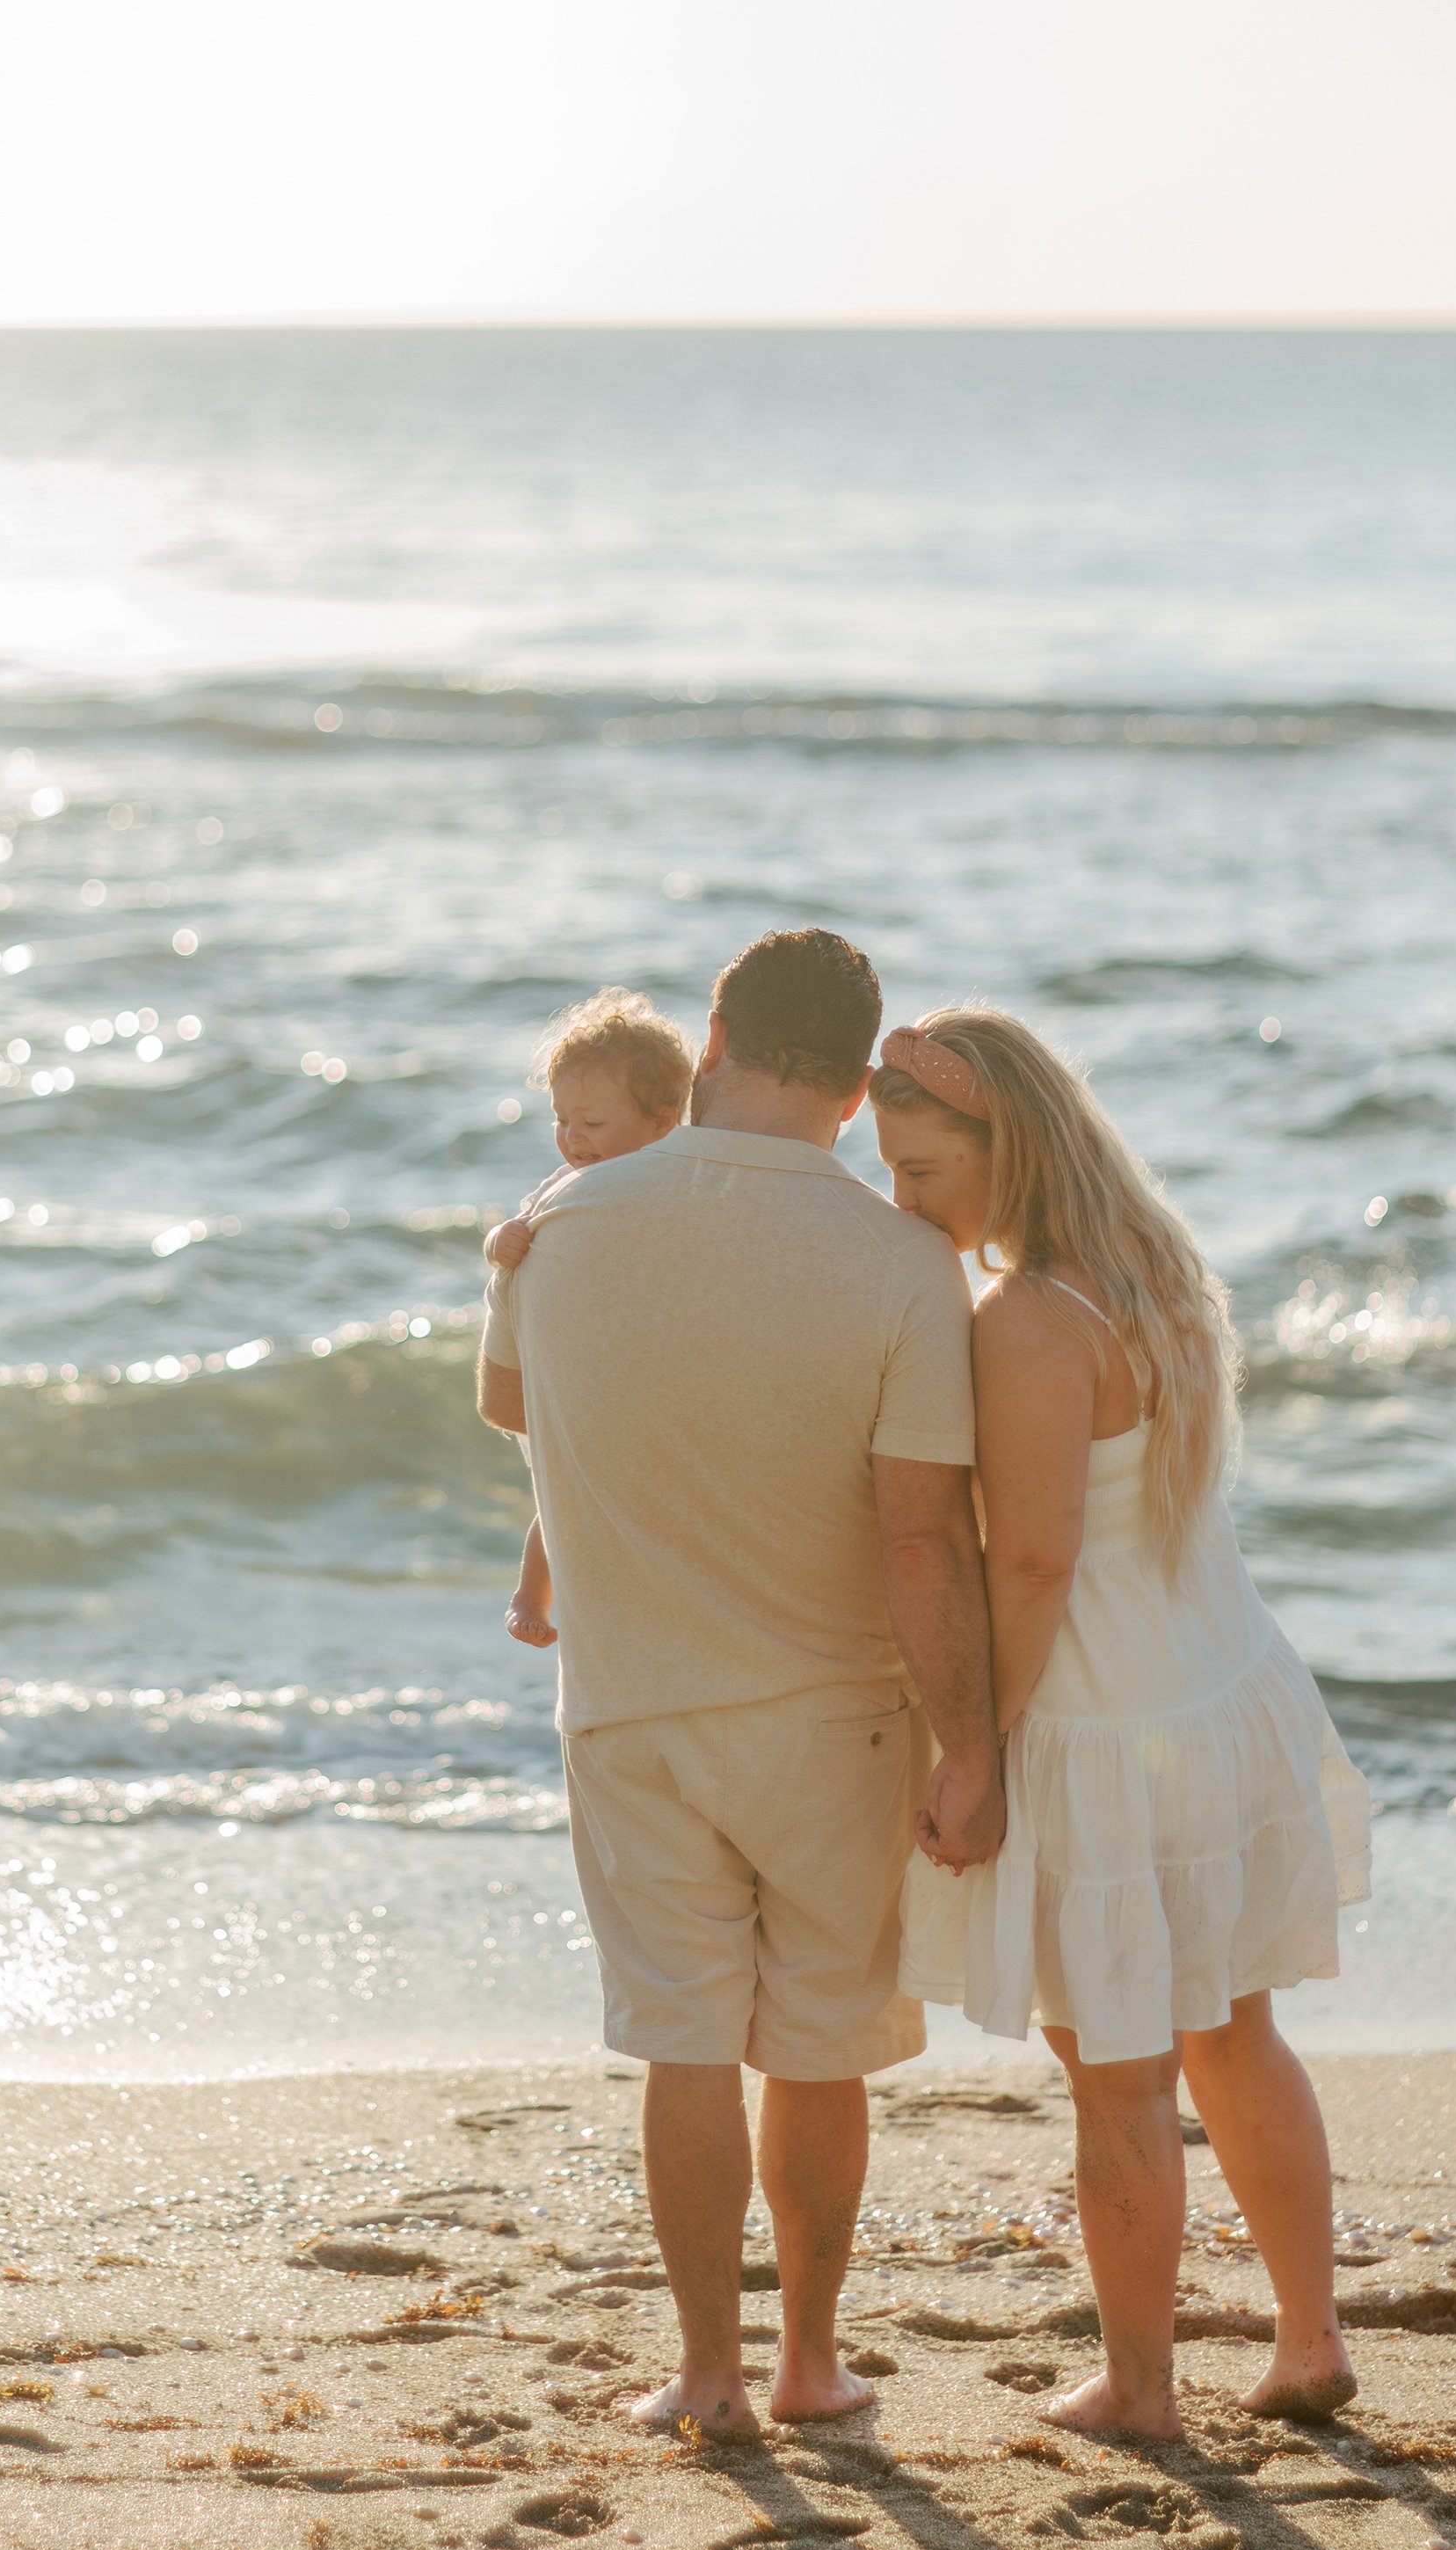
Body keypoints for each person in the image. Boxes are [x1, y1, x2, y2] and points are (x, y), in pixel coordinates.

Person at [477, 929, 1001, 2440]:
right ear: (855, 1084)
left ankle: (706, 2376)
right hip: (841, 1716)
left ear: (714, 1030)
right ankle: (808, 2363)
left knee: (687, 2042)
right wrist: (971, 1739)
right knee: (822, 2048)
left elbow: (517, 1408)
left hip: (632, 1703)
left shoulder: (560, 1218)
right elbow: (921, 1530)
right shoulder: (907, 1261)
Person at [871, 1007, 1372, 2442]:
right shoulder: (1148, 1261)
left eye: (919, 1170)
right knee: (1235, 2032)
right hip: (1223, 1687)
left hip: (1107, 1723)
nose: (907, 1204)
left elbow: (1028, 1563)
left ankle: (1142, 2386)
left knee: (1119, 2076)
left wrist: (978, 1753)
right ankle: (1309, 2332)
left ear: (1000, 1140)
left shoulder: (1027, 1318)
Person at [483, 988, 694, 1648]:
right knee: (557, 1489)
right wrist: (502, 1248)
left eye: (592, 1124)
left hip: (636, 1371)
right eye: (560, 1119)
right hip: (574, 1382)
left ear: (662, 1122)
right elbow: (510, 1234)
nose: (572, 1139)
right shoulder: (560, 1190)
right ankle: (529, 1590)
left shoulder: (682, 1180)